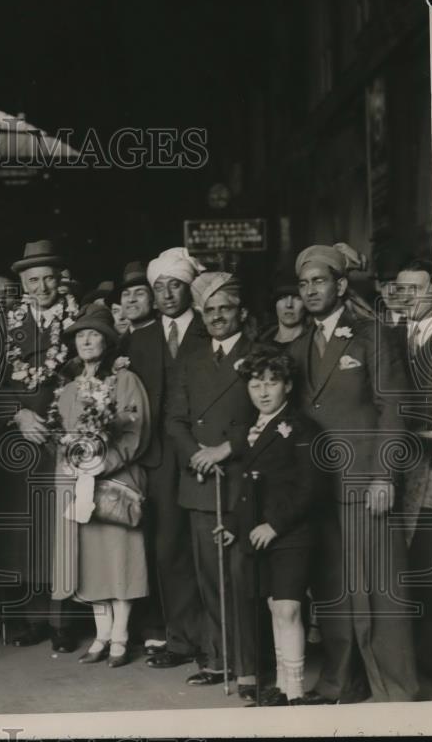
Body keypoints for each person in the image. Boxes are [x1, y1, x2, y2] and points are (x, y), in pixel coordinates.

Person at [287, 244, 419, 703]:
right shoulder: (300, 344)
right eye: (303, 284)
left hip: (366, 483)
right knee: (334, 589)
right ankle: (341, 682)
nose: (310, 291)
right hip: (320, 488)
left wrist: (386, 475)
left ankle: (396, 688)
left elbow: (394, 406)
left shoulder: (370, 333)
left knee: (380, 587)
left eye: (319, 281)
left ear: (341, 285)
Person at [166, 271, 258, 697]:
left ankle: (249, 664)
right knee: (210, 576)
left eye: (226, 308)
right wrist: (197, 454)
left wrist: (226, 448)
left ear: (240, 311)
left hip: (244, 478)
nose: (218, 316)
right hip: (202, 479)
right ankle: (219, 658)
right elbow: (175, 418)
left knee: (242, 574)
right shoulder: (192, 359)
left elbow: (271, 415)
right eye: (210, 310)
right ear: (201, 315)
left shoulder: (260, 352)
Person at [0, 240, 81, 654]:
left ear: (59, 280)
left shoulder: (78, 321)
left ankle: (63, 622)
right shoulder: (4, 324)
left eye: (48, 278)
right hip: (20, 442)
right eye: (33, 280)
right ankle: (31, 619)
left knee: (60, 530)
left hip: (63, 440)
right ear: (22, 284)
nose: (42, 287)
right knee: (25, 533)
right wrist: (18, 414)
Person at [49, 304, 151, 669]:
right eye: (81, 335)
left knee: (119, 560)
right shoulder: (68, 390)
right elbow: (60, 437)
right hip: (79, 486)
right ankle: (101, 635)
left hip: (114, 482)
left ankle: (121, 636)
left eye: (94, 334)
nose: (87, 340)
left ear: (108, 342)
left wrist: (100, 465)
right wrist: (73, 467)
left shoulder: (125, 381)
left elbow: (135, 434)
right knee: (90, 562)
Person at [125, 248, 207, 669]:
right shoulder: (139, 339)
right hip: (159, 460)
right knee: (168, 549)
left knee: (208, 548)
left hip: (204, 454)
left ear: (190, 288)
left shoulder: (209, 330)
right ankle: (180, 639)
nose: (167, 294)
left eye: (175, 285)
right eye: (159, 287)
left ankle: (216, 639)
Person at [232, 346, 321, 705]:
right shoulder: (250, 428)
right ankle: (283, 687)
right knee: (274, 607)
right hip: (259, 534)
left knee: (288, 608)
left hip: (291, 533)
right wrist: (238, 527)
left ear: (287, 385)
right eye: (256, 384)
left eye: (272, 383)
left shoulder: (301, 427)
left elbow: (310, 487)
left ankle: (296, 690)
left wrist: (275, 524)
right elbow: (248, 489)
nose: (264, 391)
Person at [395, 259, 432, 688]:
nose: (409, 297)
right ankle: (427, 663)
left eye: (417, 288)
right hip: (414, 466)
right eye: (401, 288)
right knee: (417, 561)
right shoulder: (402, 333)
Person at [257, 274, 308, 346]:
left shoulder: (312, 343)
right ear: (275, 303)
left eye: (297, 298)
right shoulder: (260, 341)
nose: (289, 305)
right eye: (283, 297)